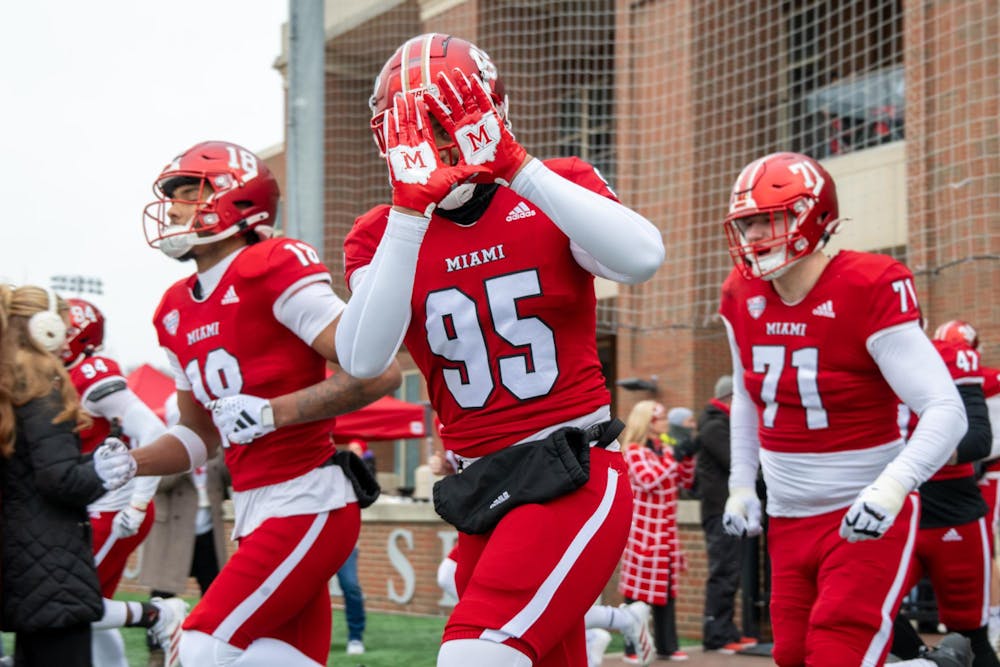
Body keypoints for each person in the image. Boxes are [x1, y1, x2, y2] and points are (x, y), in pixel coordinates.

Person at [333, 32, 664, 666]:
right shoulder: (382, 233)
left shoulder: (554, 185)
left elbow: (642, 258)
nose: (431, 144)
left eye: (444, 123)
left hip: (571, 466)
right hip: (479, 484)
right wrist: (409, 215)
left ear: (489, 112)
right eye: (413, 129)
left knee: (477, 651)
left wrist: (516, 166)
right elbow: (362, 358)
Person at [121, 140, 402, 667]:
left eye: (188, 192)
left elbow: (375, 369)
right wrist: (130, 462)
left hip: (307, 497)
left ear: (238, 199)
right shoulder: (173, 311)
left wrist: (273, 412)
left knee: (198, 647)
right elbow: (199, 436)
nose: (174, 208)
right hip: (252, 506)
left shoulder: (271, 263)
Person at [719, 151, 973, 667]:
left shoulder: (869, 284)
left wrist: (892, 487)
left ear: (814, 217)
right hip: (787, 516)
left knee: (836, 653)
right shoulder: (740, 292)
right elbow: (747, 396)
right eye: (746, 224)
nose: (754, 236)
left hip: (862, 509)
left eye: (769, 219)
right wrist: (741, 484)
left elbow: (946, 409)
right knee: (792, 656)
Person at [0, 285, 135, 666]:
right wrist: (102, 472)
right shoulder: (40, 386)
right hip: (50, 562)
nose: (67, 341)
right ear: (43, 329)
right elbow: (59, 479)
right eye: (63, 329)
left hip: (21, 559)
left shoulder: (10, 385)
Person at [58, 297, 188, 667]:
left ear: (79, 334)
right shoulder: (64, 374)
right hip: (92, 505)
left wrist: (138, 502)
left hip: (112, 507)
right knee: (92, 606)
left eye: (62, 329)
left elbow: (153, 432)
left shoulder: (92, 374)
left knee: (70, 601)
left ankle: (161, 615)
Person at [889, 328, 996, 666]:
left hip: (952, 510)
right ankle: (930, 661)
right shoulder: (851, 355)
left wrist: (923, 454)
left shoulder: (951, 359)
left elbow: (979, 438)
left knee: (970, 635)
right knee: (869, 608)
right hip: (892, 509)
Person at [140, 392, 230, 667]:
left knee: (215, 592)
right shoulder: (161, 445)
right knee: (163, 595)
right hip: (173, 531)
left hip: (208, 530)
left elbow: (229, 479)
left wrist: (227, 447)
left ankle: (208, 649)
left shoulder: (214, 444)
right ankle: (158, 652)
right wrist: (183, 457)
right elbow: (158, 484)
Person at [618, 401, 690, 662]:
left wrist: (687, 457)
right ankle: (631, 648)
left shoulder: (665, 449)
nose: (666, 423)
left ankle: (667, 646)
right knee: (637, 594)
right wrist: (673, 458)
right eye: (661, 419)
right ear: (648, 423)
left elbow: (685, 481)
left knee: (666, 592)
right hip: (643, 533)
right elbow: (648, 480)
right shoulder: (633, 451)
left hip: (666, 534)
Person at [693, 374, 759, 654]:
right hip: (719, 510)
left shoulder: (722, 424)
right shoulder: (714, 426)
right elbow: (735, 461)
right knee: (723, 572)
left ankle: (728, 630)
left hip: (728, 510)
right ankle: (717, 635)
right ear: (729, 398)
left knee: (730, 572)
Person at [333, 438, 374, 656]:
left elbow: (369, 491)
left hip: (345, 541)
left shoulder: (350, 468)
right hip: (316, 538)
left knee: (351, 587)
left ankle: (355, 637)